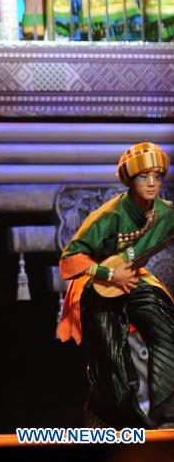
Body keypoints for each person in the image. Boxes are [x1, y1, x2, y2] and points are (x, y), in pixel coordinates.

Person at [58, 143, 174, 428]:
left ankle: (166, 413)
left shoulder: (166, 213)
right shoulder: (109, 216)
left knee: (166, 326)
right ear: (129, 179)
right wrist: (110, 275)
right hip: (98, 282)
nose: (151, 183)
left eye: (157, 176)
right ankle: (113, 420)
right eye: (143, 176)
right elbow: (70, 259)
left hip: (134, 277)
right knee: (113, 366)